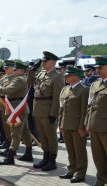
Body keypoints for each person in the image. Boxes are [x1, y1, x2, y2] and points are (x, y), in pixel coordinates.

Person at [0, 62, 33, 165]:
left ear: (21, 70)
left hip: (17, 107)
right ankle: (28, 153)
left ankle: (10, 157)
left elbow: (7, 90)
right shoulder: (18, 78)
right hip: (17, 106)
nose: (14, 71)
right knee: (25, 132)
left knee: (15, 132)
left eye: (16, 69)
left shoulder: (19, 79)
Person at [31, 51, 64, 171]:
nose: (43, 63)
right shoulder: (41, 74)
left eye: (45, 61)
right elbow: (29, 83)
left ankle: (52, 161)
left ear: (53, 62)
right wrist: (32, 70)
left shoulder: (57, 77)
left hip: (48, 112)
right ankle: (45, 157)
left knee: (51, 137)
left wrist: (54, 114)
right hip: (38, 110)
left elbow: (57, 98)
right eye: (43, 61)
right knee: (43, 137)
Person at [58, 66, 88, 183]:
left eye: (68, 75)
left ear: (76, 77)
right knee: (70, 150)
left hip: (77, 126)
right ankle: (71, 170)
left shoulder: (84, 90)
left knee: (79, 150)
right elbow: (61, 109)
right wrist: (60, 124)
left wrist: (82, 126)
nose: (65, 76)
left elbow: (84, 110)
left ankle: (80, 173)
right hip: (66, 125)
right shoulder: (65, 89)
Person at [85, 57, 107, 186]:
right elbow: (90, 106)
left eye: (101, 68)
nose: (98, 70)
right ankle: (101, 179)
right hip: (94, 126)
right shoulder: (95, 84)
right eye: (97, 68)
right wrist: (87, 123)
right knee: (98, 156)